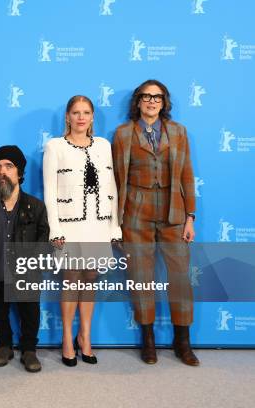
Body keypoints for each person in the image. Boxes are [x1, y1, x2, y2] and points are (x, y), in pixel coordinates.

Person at [113, 79, 199, 366]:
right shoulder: (124, 134)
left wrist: (190, 217)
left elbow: (187, 174)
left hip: (173, 211)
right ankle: (148, 340)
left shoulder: (178, 132)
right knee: (140, 277)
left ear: (164, 103)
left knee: (179, 278)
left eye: (157, 97)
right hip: (136, 213)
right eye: (146, 97)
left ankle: (182, 341)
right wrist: (117, 221)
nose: (152, 101)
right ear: (138, 102)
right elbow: (116, 180)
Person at [42, 95, 122, 366]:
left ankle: (84, 336)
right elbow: (49, 192)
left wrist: (114, 226)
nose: (80, 117)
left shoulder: (103, 145)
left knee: (90, 278)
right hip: (68, 224)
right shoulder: (54, 146)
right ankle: (67, 338)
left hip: (98, 224)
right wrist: (55, 228)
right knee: (71, 278)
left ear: (92, 117)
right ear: (67, 116)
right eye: (75, 112)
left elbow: (111, 187)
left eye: (86, 112)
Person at [0, 146, 49, 373]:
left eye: (8, 166)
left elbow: (44, 236)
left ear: (19, 172)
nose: (1, 171)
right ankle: (4, 346)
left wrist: (33, 264)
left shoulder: (35, 206)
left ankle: (29, 350)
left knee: (30, 312)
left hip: (26, 273)